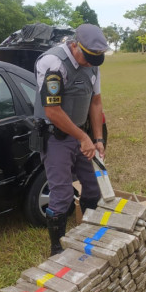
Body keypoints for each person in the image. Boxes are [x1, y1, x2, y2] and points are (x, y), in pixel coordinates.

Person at [33, 24, 108, 255]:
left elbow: (95, 102)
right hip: (57, 137)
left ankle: (86, 236)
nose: (89, 64)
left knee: (94, 189)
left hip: (82, 135)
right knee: (62, 196)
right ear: (75, 45)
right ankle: (57, 249)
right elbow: (52, 111)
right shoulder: (52, 64)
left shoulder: (93, 67)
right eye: (86, 58)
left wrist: (96, 138)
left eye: (94, 60)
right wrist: (83, 137)